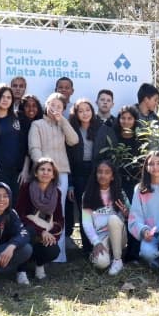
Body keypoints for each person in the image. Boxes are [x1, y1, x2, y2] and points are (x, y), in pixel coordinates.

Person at [26, 93, 80, 237]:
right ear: (46, 105)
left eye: (59, 106)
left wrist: (61, 120)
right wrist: (43, 168)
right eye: (52, 105)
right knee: (42, 209)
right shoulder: (37, 124)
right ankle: (43, 245)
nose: (55, 108)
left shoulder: (63, 124)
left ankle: (59, 253)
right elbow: (34, 148)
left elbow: (74, 140)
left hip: (61, 172)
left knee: (59, 210)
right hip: (43, 174)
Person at [15, 157, 64, 282]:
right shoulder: (26, 188)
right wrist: (40, 231)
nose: (45, 172)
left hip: (47, 231)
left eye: (49, 170)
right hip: (28, 230)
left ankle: (39, 266)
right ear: (36, 173)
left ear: (53, 175)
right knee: (29, 233)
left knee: (53, 250)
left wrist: (51, 236)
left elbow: (59, 219)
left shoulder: (57, 192)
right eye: (42, 169)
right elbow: (19, 216)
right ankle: (21, 270)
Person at [68, 98, 105, 249]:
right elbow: (67, 159)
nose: (85, 113)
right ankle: (87, 247)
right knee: (85, 209)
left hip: (97, 171)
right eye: (81, 111)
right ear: (76, 113)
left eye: (87, 110)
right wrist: (70, 184)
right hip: (78, 172)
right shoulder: (71, 129)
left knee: (98, 208)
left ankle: (102, 243)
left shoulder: (101, 128)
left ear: (92, 111)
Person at [100, 105, 145, 203]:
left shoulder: (140, 139)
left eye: (130, 118)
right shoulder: (113, 137)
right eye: (123, 118)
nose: (126, 121)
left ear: (135, 120)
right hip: (115, 181)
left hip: (134, 181)